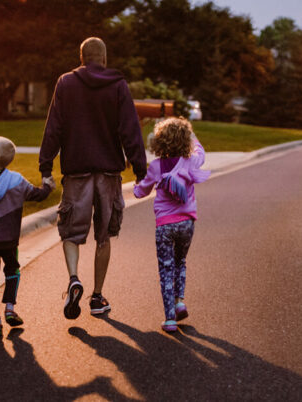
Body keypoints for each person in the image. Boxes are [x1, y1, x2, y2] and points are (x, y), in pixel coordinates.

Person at [39, 37, 147, 319]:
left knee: (71, 233)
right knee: (103, 236)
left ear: (82, 57)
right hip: (109, 172)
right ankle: (97, 297)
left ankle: (74, 279)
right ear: (104, 58)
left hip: (77, 171)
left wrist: (46, 166)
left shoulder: (66, 83)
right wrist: (140, 168)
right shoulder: (118, 85)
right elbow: (130, 129)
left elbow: (54, 128)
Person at [0, 136, 55, 337]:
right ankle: (9, 308)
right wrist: (48, 186)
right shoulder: (17, 180)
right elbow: (38, 195)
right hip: (9, 240)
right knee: (13, 271)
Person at [133, 117, 210, 332]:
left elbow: (141, 192)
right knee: (180, 261)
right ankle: (179, 302)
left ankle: (170, 319)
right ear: (185, 141)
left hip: (165, 226)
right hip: (187, 223)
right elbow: (200, 151)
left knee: (166, 269)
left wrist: (137, 186)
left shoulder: (156, 166)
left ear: (159, 142)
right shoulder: (191, 161)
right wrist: (191, 134)